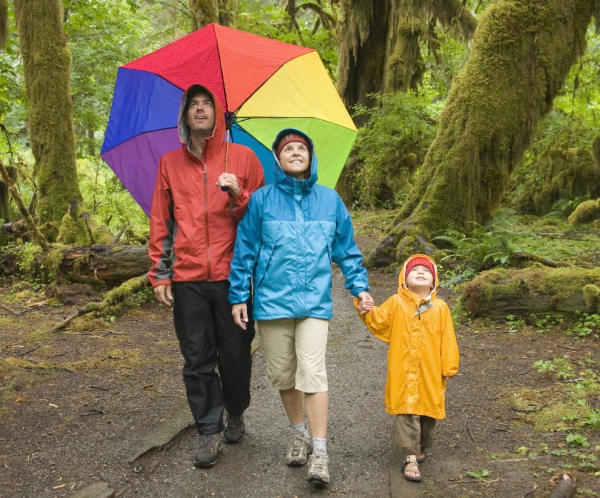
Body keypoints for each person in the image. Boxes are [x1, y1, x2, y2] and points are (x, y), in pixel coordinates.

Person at [228, 129, 373, 486]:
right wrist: (237, 296)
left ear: (310, 156)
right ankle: (298, 434)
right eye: (287, 149)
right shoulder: (261, 201)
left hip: (314, 303)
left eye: (301, 148)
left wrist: (360, 289)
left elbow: (346, 250)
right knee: (283, 374)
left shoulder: (329, 200)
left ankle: (320, 451)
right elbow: (244, 251)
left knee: (313, 372)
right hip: (271, 302)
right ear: (277, 159)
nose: (295, 152)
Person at [148, 84, 265, 469]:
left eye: (207, 104)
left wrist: (237, 194)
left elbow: (262, 221)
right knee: (196, 358)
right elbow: (161, 221)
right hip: (188, 278)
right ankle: (208, 430)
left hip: (235, 278)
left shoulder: (244, 158)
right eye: (193, 105)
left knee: (236, 356)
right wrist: (160, 274)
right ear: (185, 116)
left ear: (218, 115)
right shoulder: (169, 163)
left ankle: (236, 410)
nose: (200, 110)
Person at [355, 254, 459, 483]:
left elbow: (448, 339)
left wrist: (448, 366)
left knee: (428, 411)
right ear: (404, 278)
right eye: (415, 270)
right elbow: (379, 321)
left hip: (430, 371)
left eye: (426, 271)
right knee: (407, 408)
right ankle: (409, 456)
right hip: (403, 368)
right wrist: (367, 308)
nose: (420, 273)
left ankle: (421, 447)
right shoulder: (396, 303)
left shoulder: (441, 308)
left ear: (434, 281)